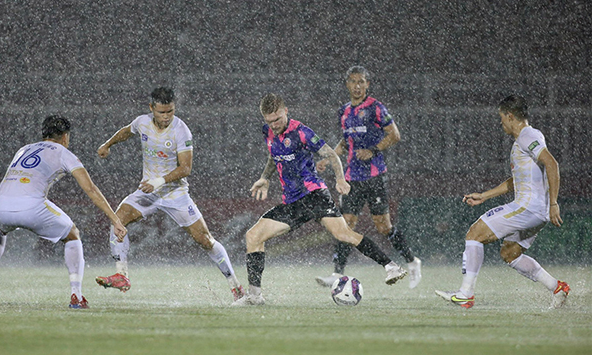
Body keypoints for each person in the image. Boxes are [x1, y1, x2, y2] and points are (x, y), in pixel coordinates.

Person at [233, 93, 407, 306]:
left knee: (344, 234)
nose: (274, 125)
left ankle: (391, 267)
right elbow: (273, 155)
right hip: (293, 202)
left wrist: (340, 180)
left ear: (286, 111)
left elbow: (331, 155)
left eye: (277, 119)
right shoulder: (267, 132)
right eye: (269, 121)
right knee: (253, 237)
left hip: (315, 195)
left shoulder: (302, 132)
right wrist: (264, 178)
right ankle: (255, 297)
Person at [94, 87, 244, 301]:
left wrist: (158, 181)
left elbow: (186, 168)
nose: (166, 117)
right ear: (151, 109)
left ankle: (236, 286)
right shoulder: (142, 122)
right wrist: (108, 144)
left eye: (170, 112)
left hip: (175, 193)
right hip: (148, 192)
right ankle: (121, 275)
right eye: (161, 112)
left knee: (205, 240)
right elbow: (127, 131)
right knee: (118, 220)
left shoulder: (181, 131)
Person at [0, 115, 127, 309]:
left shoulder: (24, 149)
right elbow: (90, 189)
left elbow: (10, 182)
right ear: (65, 137)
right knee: (72, 235)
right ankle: (76, 296)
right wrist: (115, 220)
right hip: (31, 207)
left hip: (0, 205)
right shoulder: (63, 152)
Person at [436, 95, 569, 309]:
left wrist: (554, 203)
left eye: (501, 118)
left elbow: (552, 163)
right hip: (537, 211)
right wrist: (485, 195)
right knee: (509, 253)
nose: (501, 123)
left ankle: (465, 294)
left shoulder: (527, 135)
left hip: (528, 208)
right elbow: (517, 180)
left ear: (510, 116)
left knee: (474, 234)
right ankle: (557, 288)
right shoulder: (524, 141)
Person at [314, 66, 421, 289]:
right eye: (353, 81)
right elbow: (345, 142)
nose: (357, 86)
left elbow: (395, 135)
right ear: (347, 84)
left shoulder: (376, 108)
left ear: (367, 84)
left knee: (383, 226)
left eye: (361, 81)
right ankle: (337, 273)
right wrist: (330, 158)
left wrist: (373, 150)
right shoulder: (343, 112)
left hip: (374, 177)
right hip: (351, 179)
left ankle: (412, 261)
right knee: (346, 225)